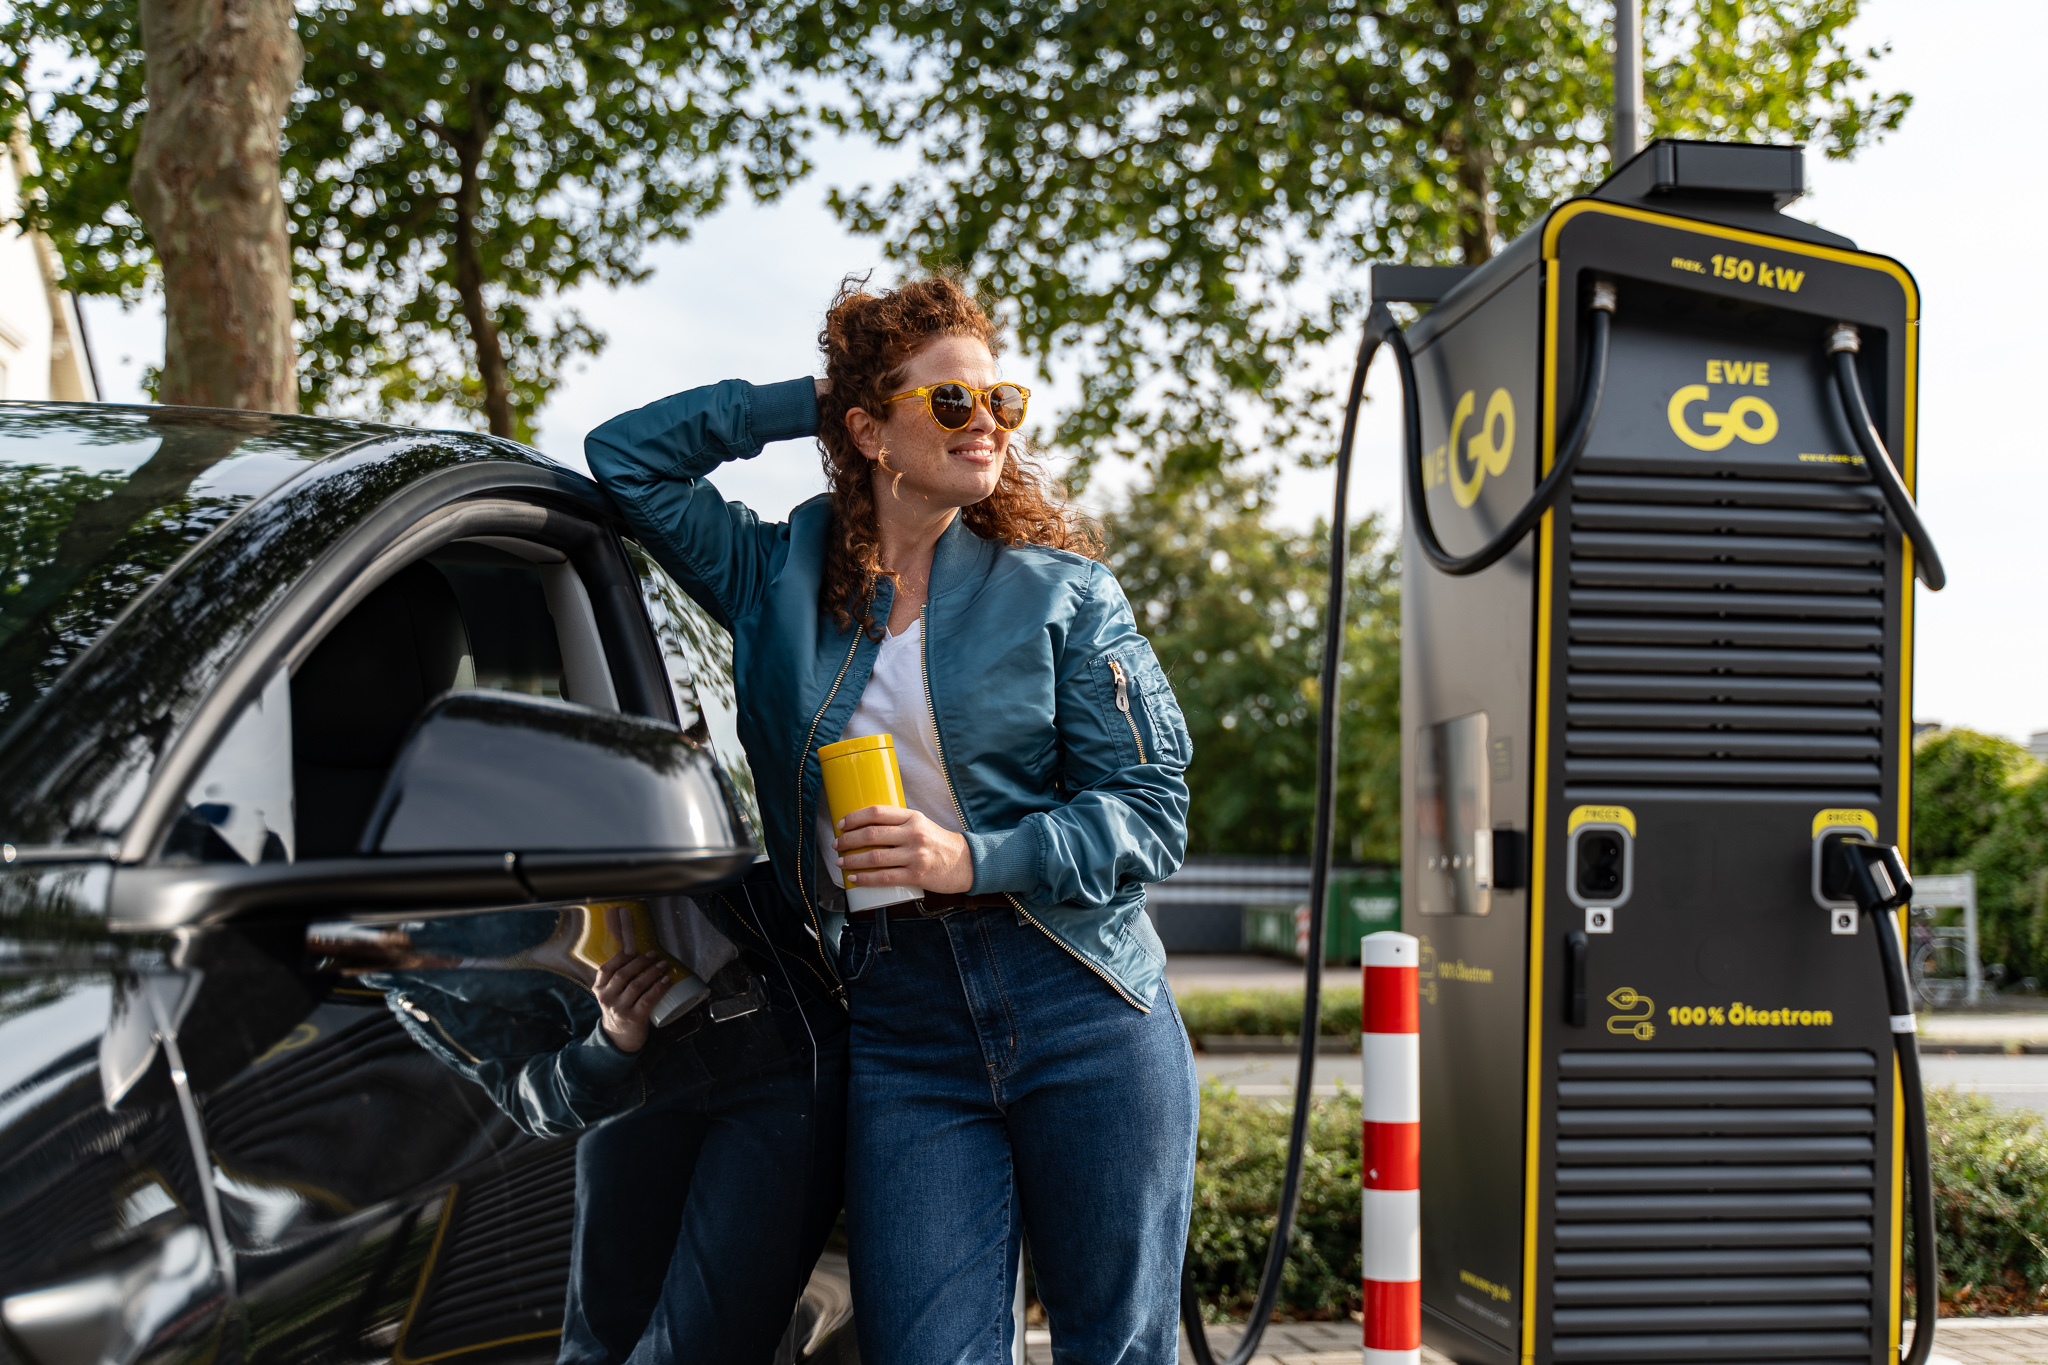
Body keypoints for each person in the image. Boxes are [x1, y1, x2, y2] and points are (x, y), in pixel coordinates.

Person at [587, 273, 1199, 1365]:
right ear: (869, 430)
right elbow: (626, 454)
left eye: (1000, 402)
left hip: (1078, 989)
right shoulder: (774, 576)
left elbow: (1149, 814)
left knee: (1117, 1348)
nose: (986, 426)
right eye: (950, 403)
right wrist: (811, 399)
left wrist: (972, 857)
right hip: (901, 1015)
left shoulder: (1061, 593)